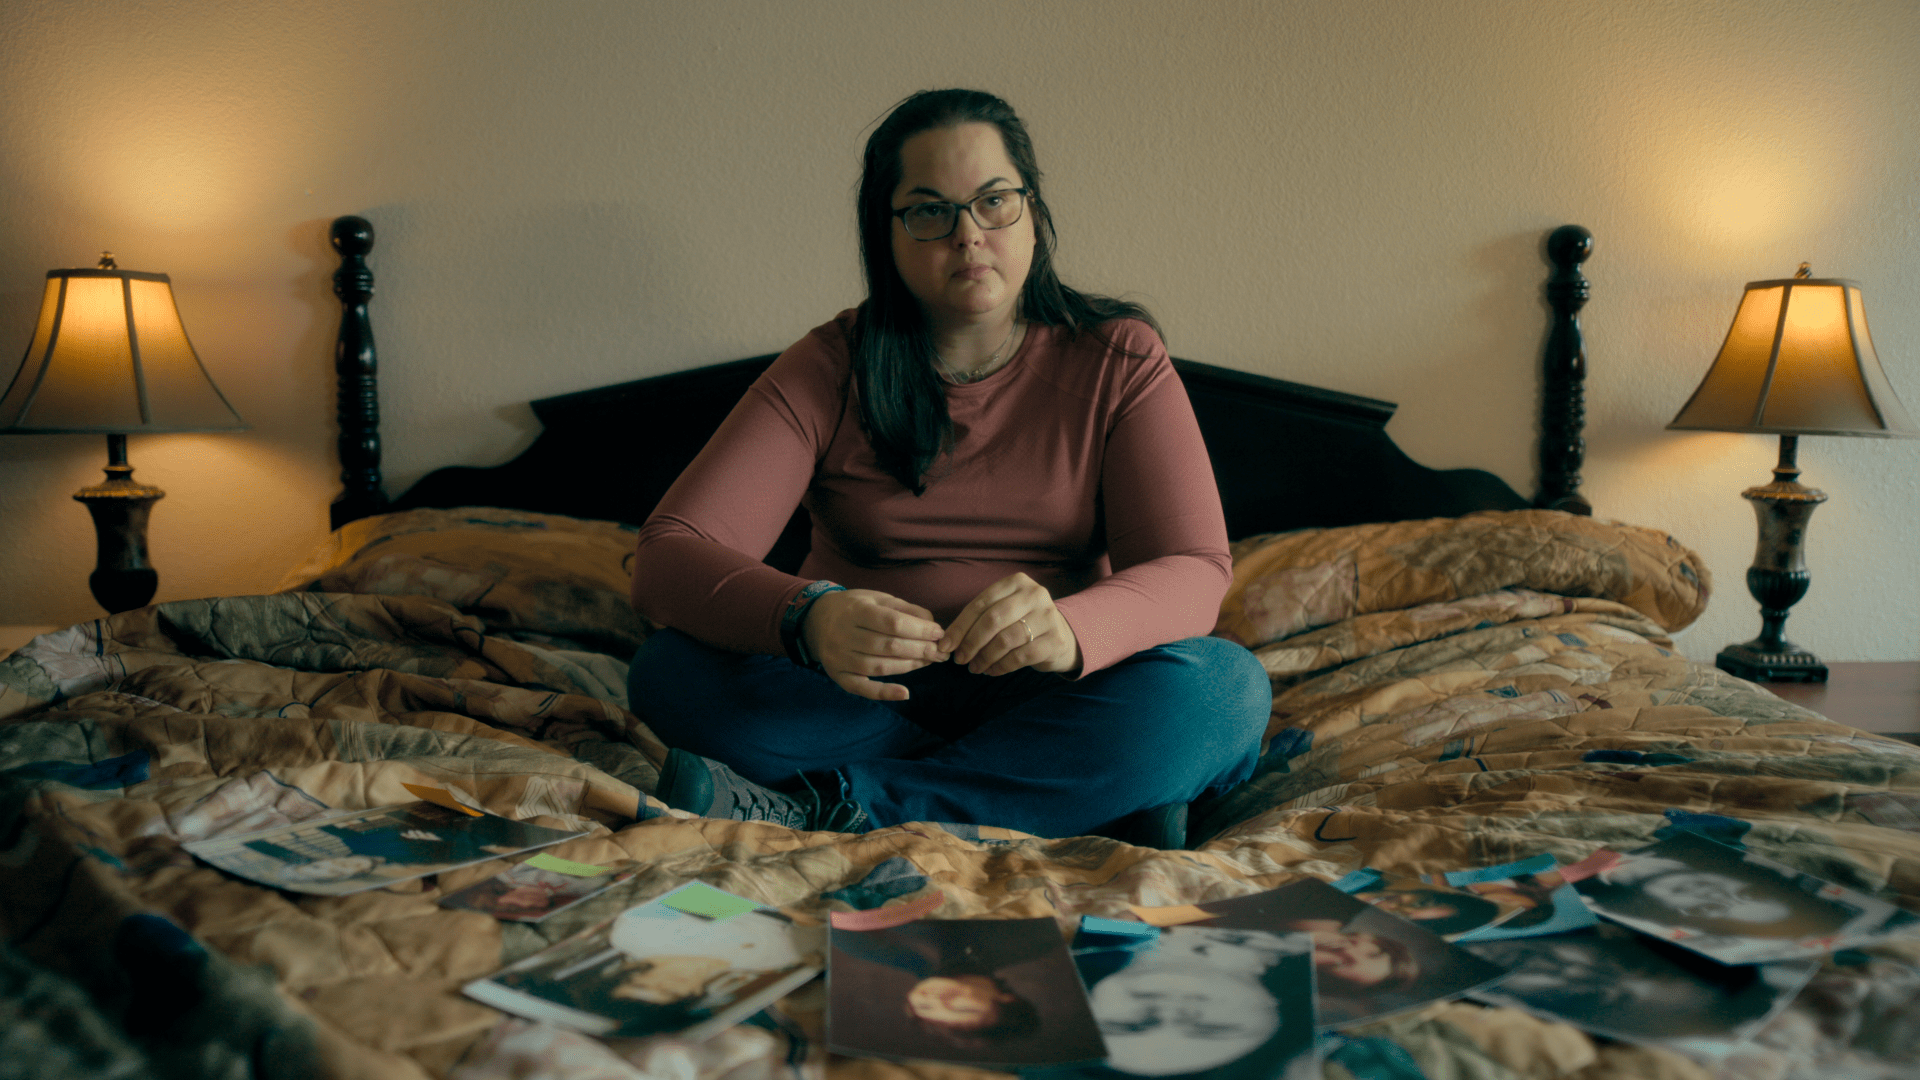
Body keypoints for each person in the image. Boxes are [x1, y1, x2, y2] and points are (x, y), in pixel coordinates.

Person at [626, 88, 1270, 844]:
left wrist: (1071, 628)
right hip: (859, 700)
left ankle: (843, 805)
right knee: (670, 672)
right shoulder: (828, 366)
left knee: (1224, 692)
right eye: (929, 211)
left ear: (1034, 214)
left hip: (1053, 695)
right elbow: (667, 556)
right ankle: (1070, 792)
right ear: (887, 234)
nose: (968, 235)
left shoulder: (1118, 358)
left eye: (994, 201)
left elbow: (1194, 567)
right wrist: (808, 616)